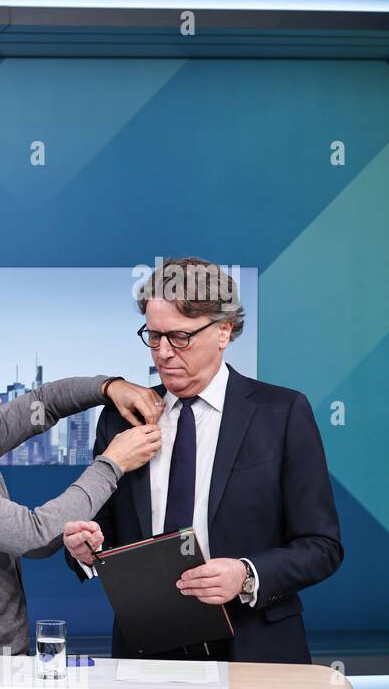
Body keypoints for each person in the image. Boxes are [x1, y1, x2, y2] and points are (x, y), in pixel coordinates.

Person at [63, 257, 342, 663]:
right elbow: (103, 529)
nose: (163, 353)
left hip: (255, 648)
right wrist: (85, 550)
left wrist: (246, 574)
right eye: (154, 336)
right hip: (147, 650)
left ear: (223, 331)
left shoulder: (281, 413)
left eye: (180, 337)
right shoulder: (122, 417)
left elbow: (322, 546)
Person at [0, 347, 163, 655]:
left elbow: (43, 403)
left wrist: (108, 386)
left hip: (1, 655)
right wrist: (112, 463)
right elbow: (34, 535)